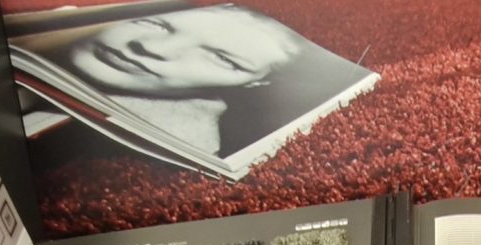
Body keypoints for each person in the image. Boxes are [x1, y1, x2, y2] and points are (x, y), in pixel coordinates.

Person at [47, 7, 307, 158]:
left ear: (254, 84)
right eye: (155, 24)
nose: (153, 48)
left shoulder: (181, 146)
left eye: (223, 59)